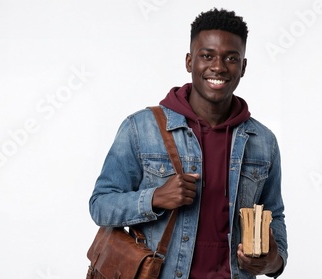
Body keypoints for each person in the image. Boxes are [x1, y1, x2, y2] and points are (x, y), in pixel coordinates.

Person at [89, 8, 288, 278]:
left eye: (230, 58)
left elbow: (274, 216)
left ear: (242, 66)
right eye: (207, 56)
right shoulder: (141, 128)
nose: (218, 66)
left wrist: (273, 262)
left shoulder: (263, 142)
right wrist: (155, 198)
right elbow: (100, 205)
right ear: (189, 61)